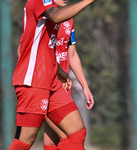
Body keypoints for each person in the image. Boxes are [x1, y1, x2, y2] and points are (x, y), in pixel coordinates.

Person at [8, 0, 96, 149]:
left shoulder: (59, 16)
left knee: (76, 133)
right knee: (24, 142)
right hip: (33, 81)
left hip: (51, 81)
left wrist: (60, 71)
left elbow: (49, 48)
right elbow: (55, 17)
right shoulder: (40, 1)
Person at [43, 0, 94, 149]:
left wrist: (85, 86)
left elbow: (71, 55)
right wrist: (58, 73)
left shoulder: (68, 19)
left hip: (63, 86)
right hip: (46, 86)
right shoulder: (42, 16)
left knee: (52, 142)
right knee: (72, 136)